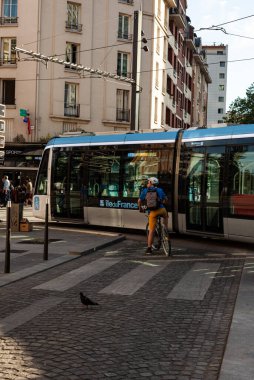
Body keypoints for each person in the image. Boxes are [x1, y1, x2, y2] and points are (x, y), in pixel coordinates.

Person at [138, 177, 169, 255]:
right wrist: (162, 202)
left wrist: (140, 209)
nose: (147, 183)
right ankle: (165, 231)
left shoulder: (145, 191)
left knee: (151, 231)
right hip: (162, 210)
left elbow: (139, 201)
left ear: (151, 183)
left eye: (148, 182)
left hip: (153, 212)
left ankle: (149, 249)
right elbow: (166, 199)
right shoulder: (160, 190)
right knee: (166, 216)